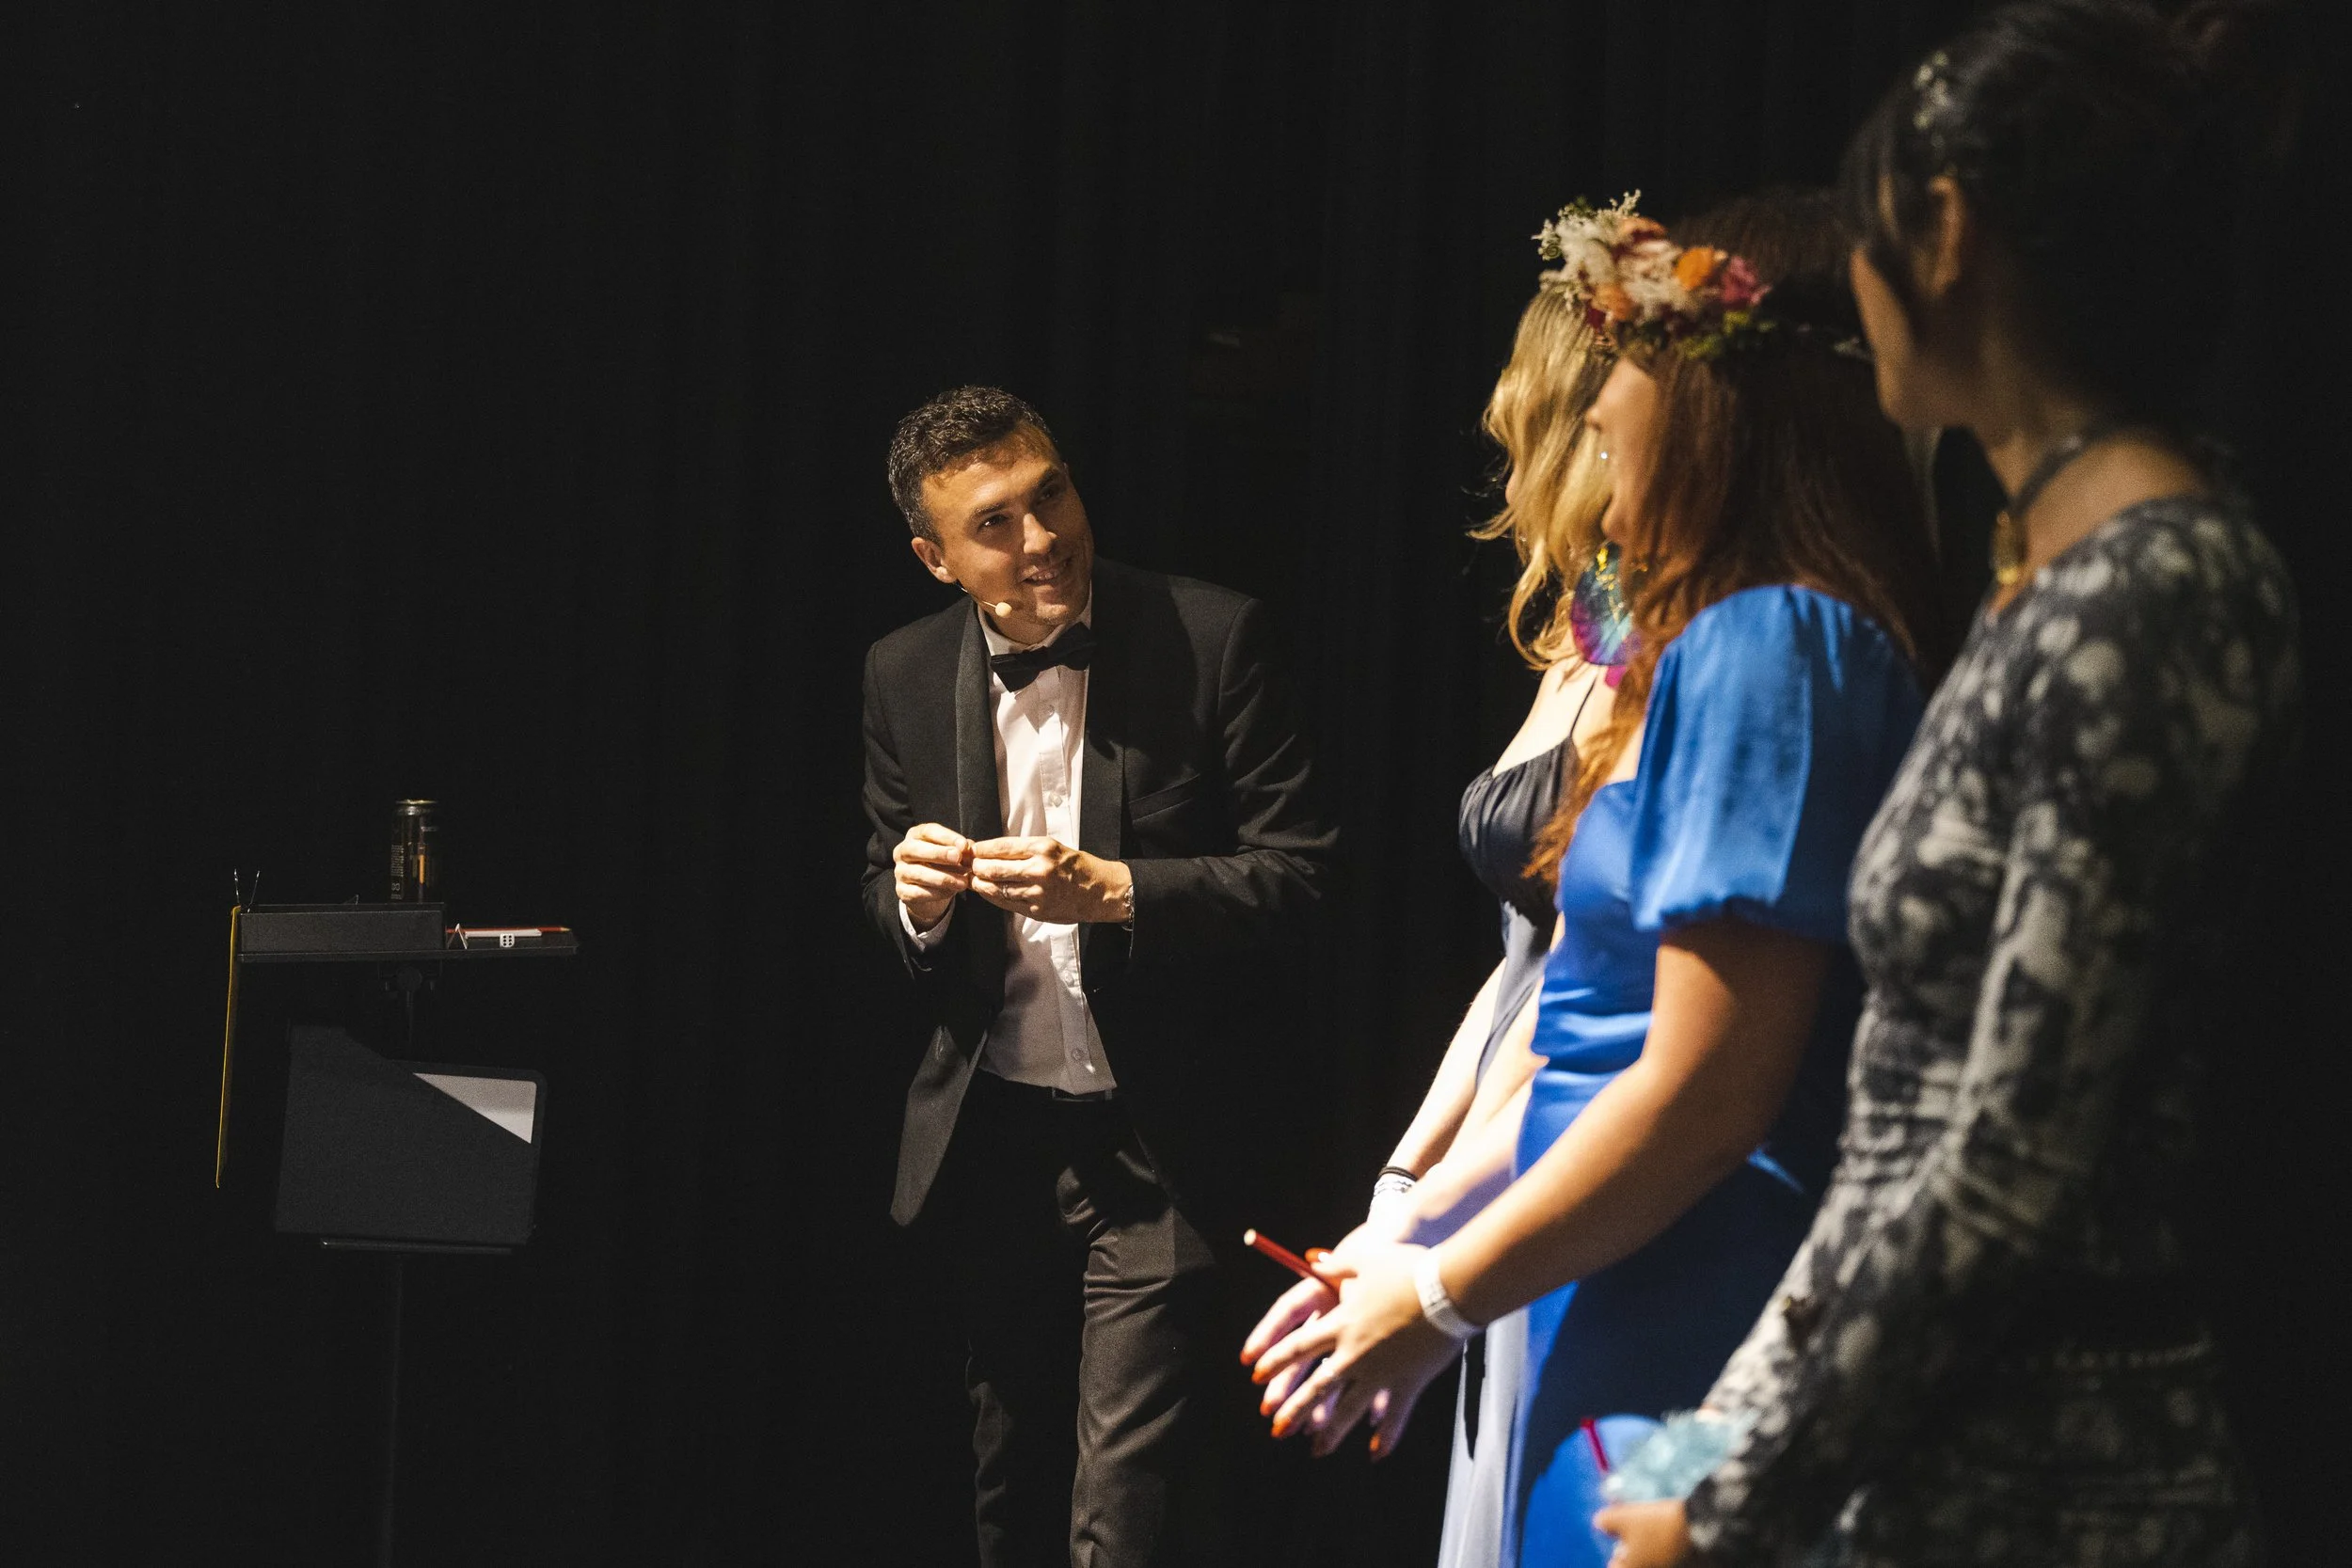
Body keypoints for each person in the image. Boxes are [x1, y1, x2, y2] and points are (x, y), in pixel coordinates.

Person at [1597, 6, 2303, 1565]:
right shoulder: (2041, 577)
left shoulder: (2161, 588)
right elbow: (1900, 1133)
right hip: (1931, 1469)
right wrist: (1715, 1449)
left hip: (2065, 1491)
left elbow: (2013, 1154)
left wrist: (1722, 1487)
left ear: (1949, 227)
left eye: (1862, 238)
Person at [1246, 190, 1947, 1568]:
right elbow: (1587, 1023)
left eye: (1618, 408)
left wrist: (1438, 1298)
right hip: (1599, 1272)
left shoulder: (1777, 643)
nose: (1598, 449)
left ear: (1712, 418)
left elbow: (1703, 1086)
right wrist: (1406, 1232)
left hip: (1697, 1289)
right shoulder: (1717, 646)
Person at [860, 386, 1336, 1567]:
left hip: (1154, 1138)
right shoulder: (901, 673)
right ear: (935, 559)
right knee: (1007, 1481)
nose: (1040, 539)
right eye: (994, 525)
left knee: (1121, 1508)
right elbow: (878, 882)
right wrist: (911, 901)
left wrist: (1118, 890)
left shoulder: (1211, 634)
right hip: (996, 1141)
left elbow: (1304, 876)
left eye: (1051, 494)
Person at [1260, 287, 1626, 1568]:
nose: (1492, 415)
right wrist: (1402, 1185)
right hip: (1495, 1109)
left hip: (1567, 1110)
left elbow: (1587, 979)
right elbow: (1512, 960)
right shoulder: (1589, 621)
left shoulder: (1673, 638)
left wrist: (1430, 1228)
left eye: (1518, 385)